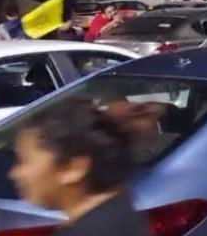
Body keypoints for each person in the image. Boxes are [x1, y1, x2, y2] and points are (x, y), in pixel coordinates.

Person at [9, 100, 150, 236]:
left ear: (74, 168)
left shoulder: (98, 230)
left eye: (25, 161)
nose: (15, 174)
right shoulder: (118, 214)